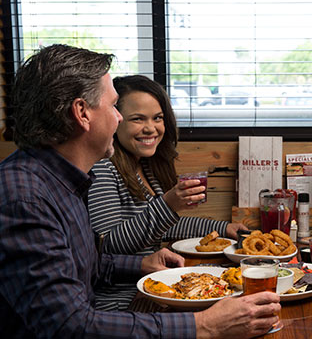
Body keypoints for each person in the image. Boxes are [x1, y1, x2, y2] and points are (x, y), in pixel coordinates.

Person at [0, 44, 280, 338]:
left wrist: (141, 263)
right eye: (112, 107)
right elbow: (69, 325)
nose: (118, 118)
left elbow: (91, 262)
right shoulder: (24, 199)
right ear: (82, 113)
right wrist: (205, 326)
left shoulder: (66, 180)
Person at [88, 74, 246, 310]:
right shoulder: (103, 168)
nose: (150, 128)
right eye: (138, 119)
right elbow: (109, 245)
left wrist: (223, 229)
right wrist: (169, 204)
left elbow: (164, 225)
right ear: (116, 119)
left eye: (158, 118)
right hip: (122, 300)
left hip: (156, 287)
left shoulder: (147, 166)